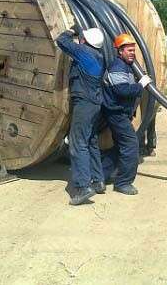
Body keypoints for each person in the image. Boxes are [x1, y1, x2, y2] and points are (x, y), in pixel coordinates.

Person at [56, 27, 106, 206]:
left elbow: (61, 41)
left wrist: (71, 30)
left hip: (84, 103)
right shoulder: (99, 55)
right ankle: (98, 180)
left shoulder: (83, 52)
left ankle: (83, 187)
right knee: (90, 140)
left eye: (82, 37)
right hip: (95, 104)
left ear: (85, 40)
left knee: (77, 143)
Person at [101, 33, 152, 195]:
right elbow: (122, 90)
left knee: (120, 147)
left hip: (121, 114)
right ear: (119, 51)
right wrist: (140, 85)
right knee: (131, 145)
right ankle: (123, 183)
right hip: (116, 114)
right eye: (128, 50)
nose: (132, 53)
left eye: (133, 50)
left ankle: (101, 175)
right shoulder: (117, 67)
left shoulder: (126, 66)